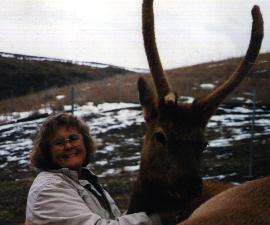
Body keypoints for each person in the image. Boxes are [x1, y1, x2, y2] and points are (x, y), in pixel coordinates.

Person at [25, 113, 163, 225]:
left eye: (73, 138)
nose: (68, 146)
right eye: (59, 143)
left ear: (85, 142)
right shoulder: (49, 189)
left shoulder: (84, 182)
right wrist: (158, 220)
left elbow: (112, 221)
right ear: (47, 151)